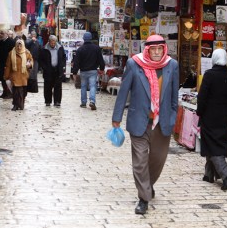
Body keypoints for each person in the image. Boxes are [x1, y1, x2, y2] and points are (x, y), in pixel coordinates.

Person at [111, 35, 179, 215]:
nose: (156, 53)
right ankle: (143, 198)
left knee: (158, 160)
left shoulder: (172, 65)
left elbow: (174, 97)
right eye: (153, 49)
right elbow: (123, 91)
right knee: (140, 162)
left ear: (164, 49)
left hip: (161, 123)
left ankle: (147, 185)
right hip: (139, 121)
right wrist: (116, 117)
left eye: (159, 49)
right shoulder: (135, 64)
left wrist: (173, 118)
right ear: (147, 50)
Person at [196, 48, 227, 191]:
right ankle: (209, 174)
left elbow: (202, 97)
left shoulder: (209, 75)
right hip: (224, 116)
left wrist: (199, 112)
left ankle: (226, 175)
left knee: (212, 146)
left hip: (210, 116)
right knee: (213, 143)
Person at [72, 32, 105, 110]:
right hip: (93, 71)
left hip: (83, 71)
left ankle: (83, 103)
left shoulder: (80, 49)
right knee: (93, 86)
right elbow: (101, 60)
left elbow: (76, 62)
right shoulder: (96, 48)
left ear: (83, 39)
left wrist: (74, 72)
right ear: (91, 38)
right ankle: (92, 101)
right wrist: (102, 69)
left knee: (83, 86)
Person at [4, 39, 33, 111]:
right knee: (16, 91)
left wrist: (30, 65)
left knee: (23, 92)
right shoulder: (11, 53)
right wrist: (6, 76)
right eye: (18, 45)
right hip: (14, 75)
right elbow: (8, 65)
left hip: (24, 75)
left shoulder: (27, 53)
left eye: (20, 45)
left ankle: (21, 104)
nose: (19, 47)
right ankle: (15, 105)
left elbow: (31, 60)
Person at [39, 35, 66, 107]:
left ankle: (57, 101)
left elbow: (63, 57)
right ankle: (48, 101)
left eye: (54, 43)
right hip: (48, 70)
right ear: (49, 42)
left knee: (58, 86)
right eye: (51, 43)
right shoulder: (44, 48)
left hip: (58, 70)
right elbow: (40, 60)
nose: (53, 44)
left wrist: (62, 66)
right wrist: (44, 67)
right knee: (48, 86)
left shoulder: (60, 48)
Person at [0, 30, 16, 99]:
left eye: (2, 33)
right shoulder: (1, 42)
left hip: (8, 64)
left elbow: (13, 54)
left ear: (6, 34)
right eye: (0, 33)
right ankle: (4, 92)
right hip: (2, 63)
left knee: (7, 79)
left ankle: (10, 93)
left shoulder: (11, 42)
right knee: (2, 79)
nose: (0, 35)